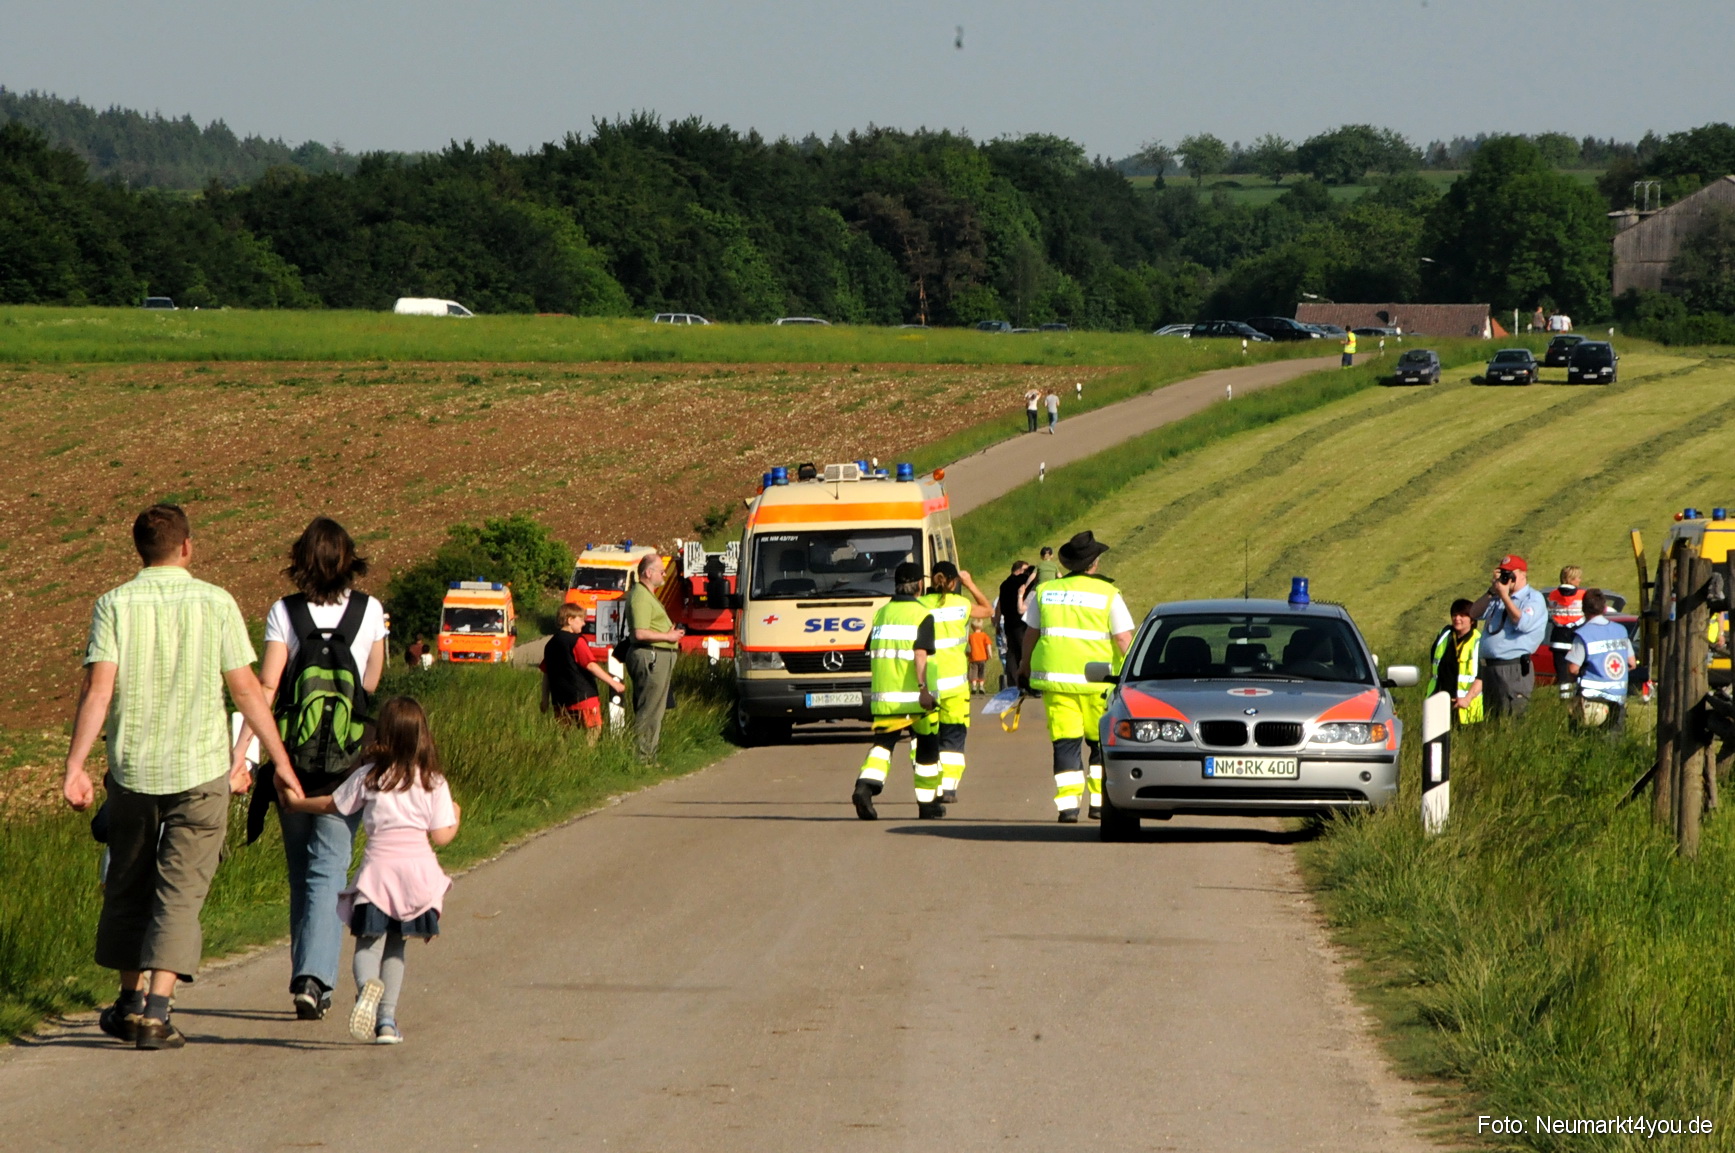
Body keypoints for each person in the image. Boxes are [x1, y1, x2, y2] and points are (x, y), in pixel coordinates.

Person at [62, 504, 290, 1050]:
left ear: (139, 550)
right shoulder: (216, 603)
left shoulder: (112, 605)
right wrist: (276, 758)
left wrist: (74, 766)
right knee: (181, 890)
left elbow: (99, 691)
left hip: (133, 770)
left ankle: (125, 999)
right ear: (187, 546)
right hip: (201, 770)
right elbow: (245, 691)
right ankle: (157, 1010)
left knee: (128, 880)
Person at [232, 517, 388, 1022]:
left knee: (302, 875)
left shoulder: (285, 612)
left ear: (301, 560)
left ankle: (307, 977)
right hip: (346, 765)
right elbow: (371, 681)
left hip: (291, 764)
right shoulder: (370, 611)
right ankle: (313, 980)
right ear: (349, 560)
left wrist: (244, 755)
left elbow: (267, 688)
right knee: (328, 870)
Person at [280, 697, 459, 1045]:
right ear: (423, 735)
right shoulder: (433, 781)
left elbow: (333, 803)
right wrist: (457, 815)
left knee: (367, 943)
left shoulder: (370, 776)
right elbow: (441, 836)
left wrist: (296, 803)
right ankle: (387, 1023)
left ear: (384, 734)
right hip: (416, 876)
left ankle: (366, 991)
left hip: (379, 873)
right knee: (396, 947)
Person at [1018, 531, 1135, 822]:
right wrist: (1135, 671)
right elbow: (1122, 639)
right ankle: (1099, 804)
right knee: (1100, 744)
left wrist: (1023, 666)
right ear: (1094, 563)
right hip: (1099, 682)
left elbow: (1031, 632)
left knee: (1065, 743)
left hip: (1057, 681)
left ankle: (1068, 807)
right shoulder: (1108, 594)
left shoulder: (1047, 592)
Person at [851, 562, 941, 820]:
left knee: (882, 746)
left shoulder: (881, 614)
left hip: (885, 698)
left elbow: (871, 647)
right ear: (919, 586)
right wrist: (924, 689)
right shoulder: (922, 614)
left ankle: (865, 787)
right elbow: (920, 654)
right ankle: (928, 805)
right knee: (926, 748)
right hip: (914, 699)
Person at [919, 562, 995, 803]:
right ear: (954, 582)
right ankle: (948, 788)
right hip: (955, 686)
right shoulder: (961, 605)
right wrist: (970, 582)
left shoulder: (920, 605)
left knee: (929, 738)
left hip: (929, 683)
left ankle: (928, 787)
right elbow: (988, 610)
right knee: (953, 737)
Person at [1470, 553, 1549, 719]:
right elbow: (1474, 613)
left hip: (1513, 668)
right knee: (1493, 718)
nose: (1508, 578)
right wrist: (1492, 592)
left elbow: (1522, 623)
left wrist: (1505, 596)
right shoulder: (1497, 596)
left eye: (1510, 573)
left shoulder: (1533, 598)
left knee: (1512, 717)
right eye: (1504, 573)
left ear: (1522, 574)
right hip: (1490, 668)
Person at [625, 553, 684, 760]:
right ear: (648, 573)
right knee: (649, 709)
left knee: (655, 709)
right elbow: (639, 632)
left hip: (658, 656)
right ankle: (643, 756)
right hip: (652, 657)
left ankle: (649, 754)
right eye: (660, 571)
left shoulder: (646, 596)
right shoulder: (640, 597)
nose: (663, 576)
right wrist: (668, 636)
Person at [541, 602, 626, 743]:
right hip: (583, 695)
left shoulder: (550, 644)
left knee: (565, 735)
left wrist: (544, 699)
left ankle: (567, 758)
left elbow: (547, 674)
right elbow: (591, 665)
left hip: (560, 699)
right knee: (594, 728)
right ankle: (586, 756)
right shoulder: (576, 641)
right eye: (580, 619)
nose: (583, 623)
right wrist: (613, 683)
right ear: (569, 620)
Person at [1567, 589, 1634, 734]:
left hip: (1590, 699)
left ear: (1583, 608)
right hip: (1618, 696)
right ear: (1604, 608)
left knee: (1584, 739)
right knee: (1614, 741)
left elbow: (1573, 668)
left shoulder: (1583, 634)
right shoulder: (1621, 630)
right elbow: (1631, 663)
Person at [1425, 598, 1484, 726]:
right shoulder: (1444, 635)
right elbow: (1434, 666)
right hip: (1438, 701)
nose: (1457, 618)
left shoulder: (1479, 642)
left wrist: (1467, 699)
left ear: (1472, 620)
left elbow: (1482, 677)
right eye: (1454, 615)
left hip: (1466, 707)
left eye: (1462, 615)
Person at [1546, 566, 1587, 701]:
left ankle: (1564, 703)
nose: (1580, 581)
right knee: (1578, 672)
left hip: (1558, 639)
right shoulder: (1582, 595)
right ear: (1571, 579)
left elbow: (1551, 615)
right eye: (1578, 578)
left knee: (1563, 676)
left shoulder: (1552, 595)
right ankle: (1578, 701)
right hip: (1575, 638)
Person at [995, 561, 1035, 687]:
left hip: (1008, 622)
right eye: (1025, 570)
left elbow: (1000, 606)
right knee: (1024, 651)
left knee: (1011, 652)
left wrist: (997, 622)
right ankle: (1026, 683)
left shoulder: (1004, 584)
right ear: (1019, 570)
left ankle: (1013, 683)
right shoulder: (1021, 582)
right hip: (1021, 622)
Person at [967, 618, 994, 695]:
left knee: (973, 672)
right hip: (983, 657)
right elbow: (988, 645)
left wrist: (967, 654)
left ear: (972, 627)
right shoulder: (984, 636)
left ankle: (974, 686)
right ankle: (981, 686)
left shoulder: (971, 637)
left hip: (973, 658)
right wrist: (990, 653)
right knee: (981, 672)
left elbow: (968, 647)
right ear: (981, 627)